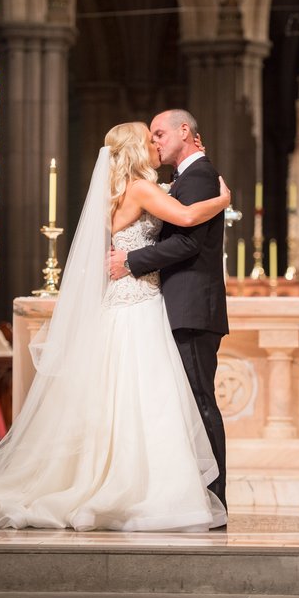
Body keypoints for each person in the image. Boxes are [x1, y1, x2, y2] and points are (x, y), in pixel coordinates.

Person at [0, 122, 229, 532]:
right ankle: (144, 488)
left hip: (126, 303)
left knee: (129, 401)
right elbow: (186, 216)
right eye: (149, 138)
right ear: (135, 147)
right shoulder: (139, 188)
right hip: (138, 306)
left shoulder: (119, 192)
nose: (155, 143)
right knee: (145, 399)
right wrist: (222, 199)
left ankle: (131, 480)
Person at [109, 110, 229, 511]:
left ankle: (214, 495)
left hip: (189, 305)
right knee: (179, 404)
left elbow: (188, 242)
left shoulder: (197, 176)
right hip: (158, 304)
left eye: (159, 134)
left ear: (185, 131)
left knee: (197, 402)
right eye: (149, 138)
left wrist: (130, 260)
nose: (156, 142)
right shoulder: (159, 184)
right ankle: (189, 493)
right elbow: (185, 227)